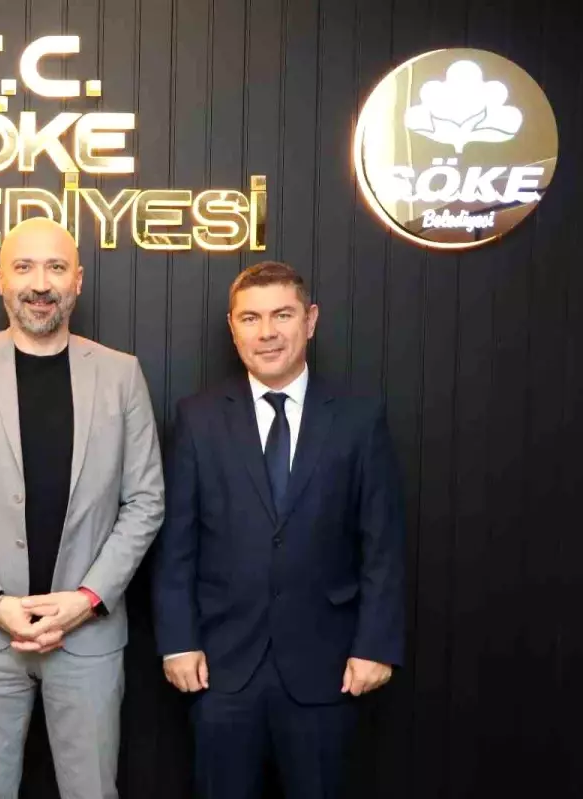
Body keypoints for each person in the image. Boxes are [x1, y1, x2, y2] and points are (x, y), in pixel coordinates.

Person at [0, 217, 165, 799]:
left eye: (56, 267)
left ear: (78, 279)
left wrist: (87, 600)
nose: (40, 283)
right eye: (24, 267)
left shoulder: (121, 374)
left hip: (88, 636)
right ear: (0, 279)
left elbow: (146, 501)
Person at [153, 261, 405, 799]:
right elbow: (177, 545)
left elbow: (382, 544)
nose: (266, 332)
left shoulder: (359, 419)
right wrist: (177, 642)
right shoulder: (197, 418)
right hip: (220, 668)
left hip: (329, 667)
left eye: (282, 315)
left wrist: (376, 645)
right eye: (251, 318)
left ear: (310, 320)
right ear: (233, 328)